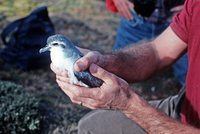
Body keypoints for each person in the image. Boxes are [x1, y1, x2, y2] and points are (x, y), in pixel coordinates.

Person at [51, 0, 200, 133]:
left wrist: (129, 105)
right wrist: (103, 61)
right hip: (185, 108)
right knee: (90, 126)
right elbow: (157, 52)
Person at [107, 0, 187, 86]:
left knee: (189, 78)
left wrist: (194, 7)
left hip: (182, 20)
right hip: (134, 20)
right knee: (113, 74)